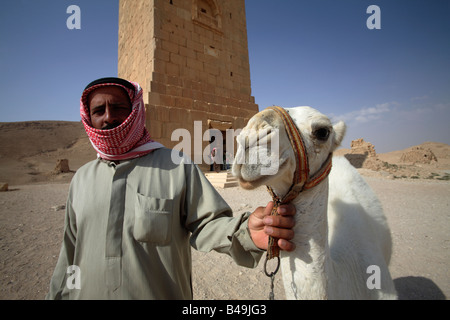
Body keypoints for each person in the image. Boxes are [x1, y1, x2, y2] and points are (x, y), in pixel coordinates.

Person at [46, 77, 295, 299]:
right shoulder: (81, 179)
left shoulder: (176, 166)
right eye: (99, 110)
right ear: (89, 118)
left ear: (134, 111)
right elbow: (70, 252)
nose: (109, 117)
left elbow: (207, 223)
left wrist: (247, 233)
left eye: (118, 107)